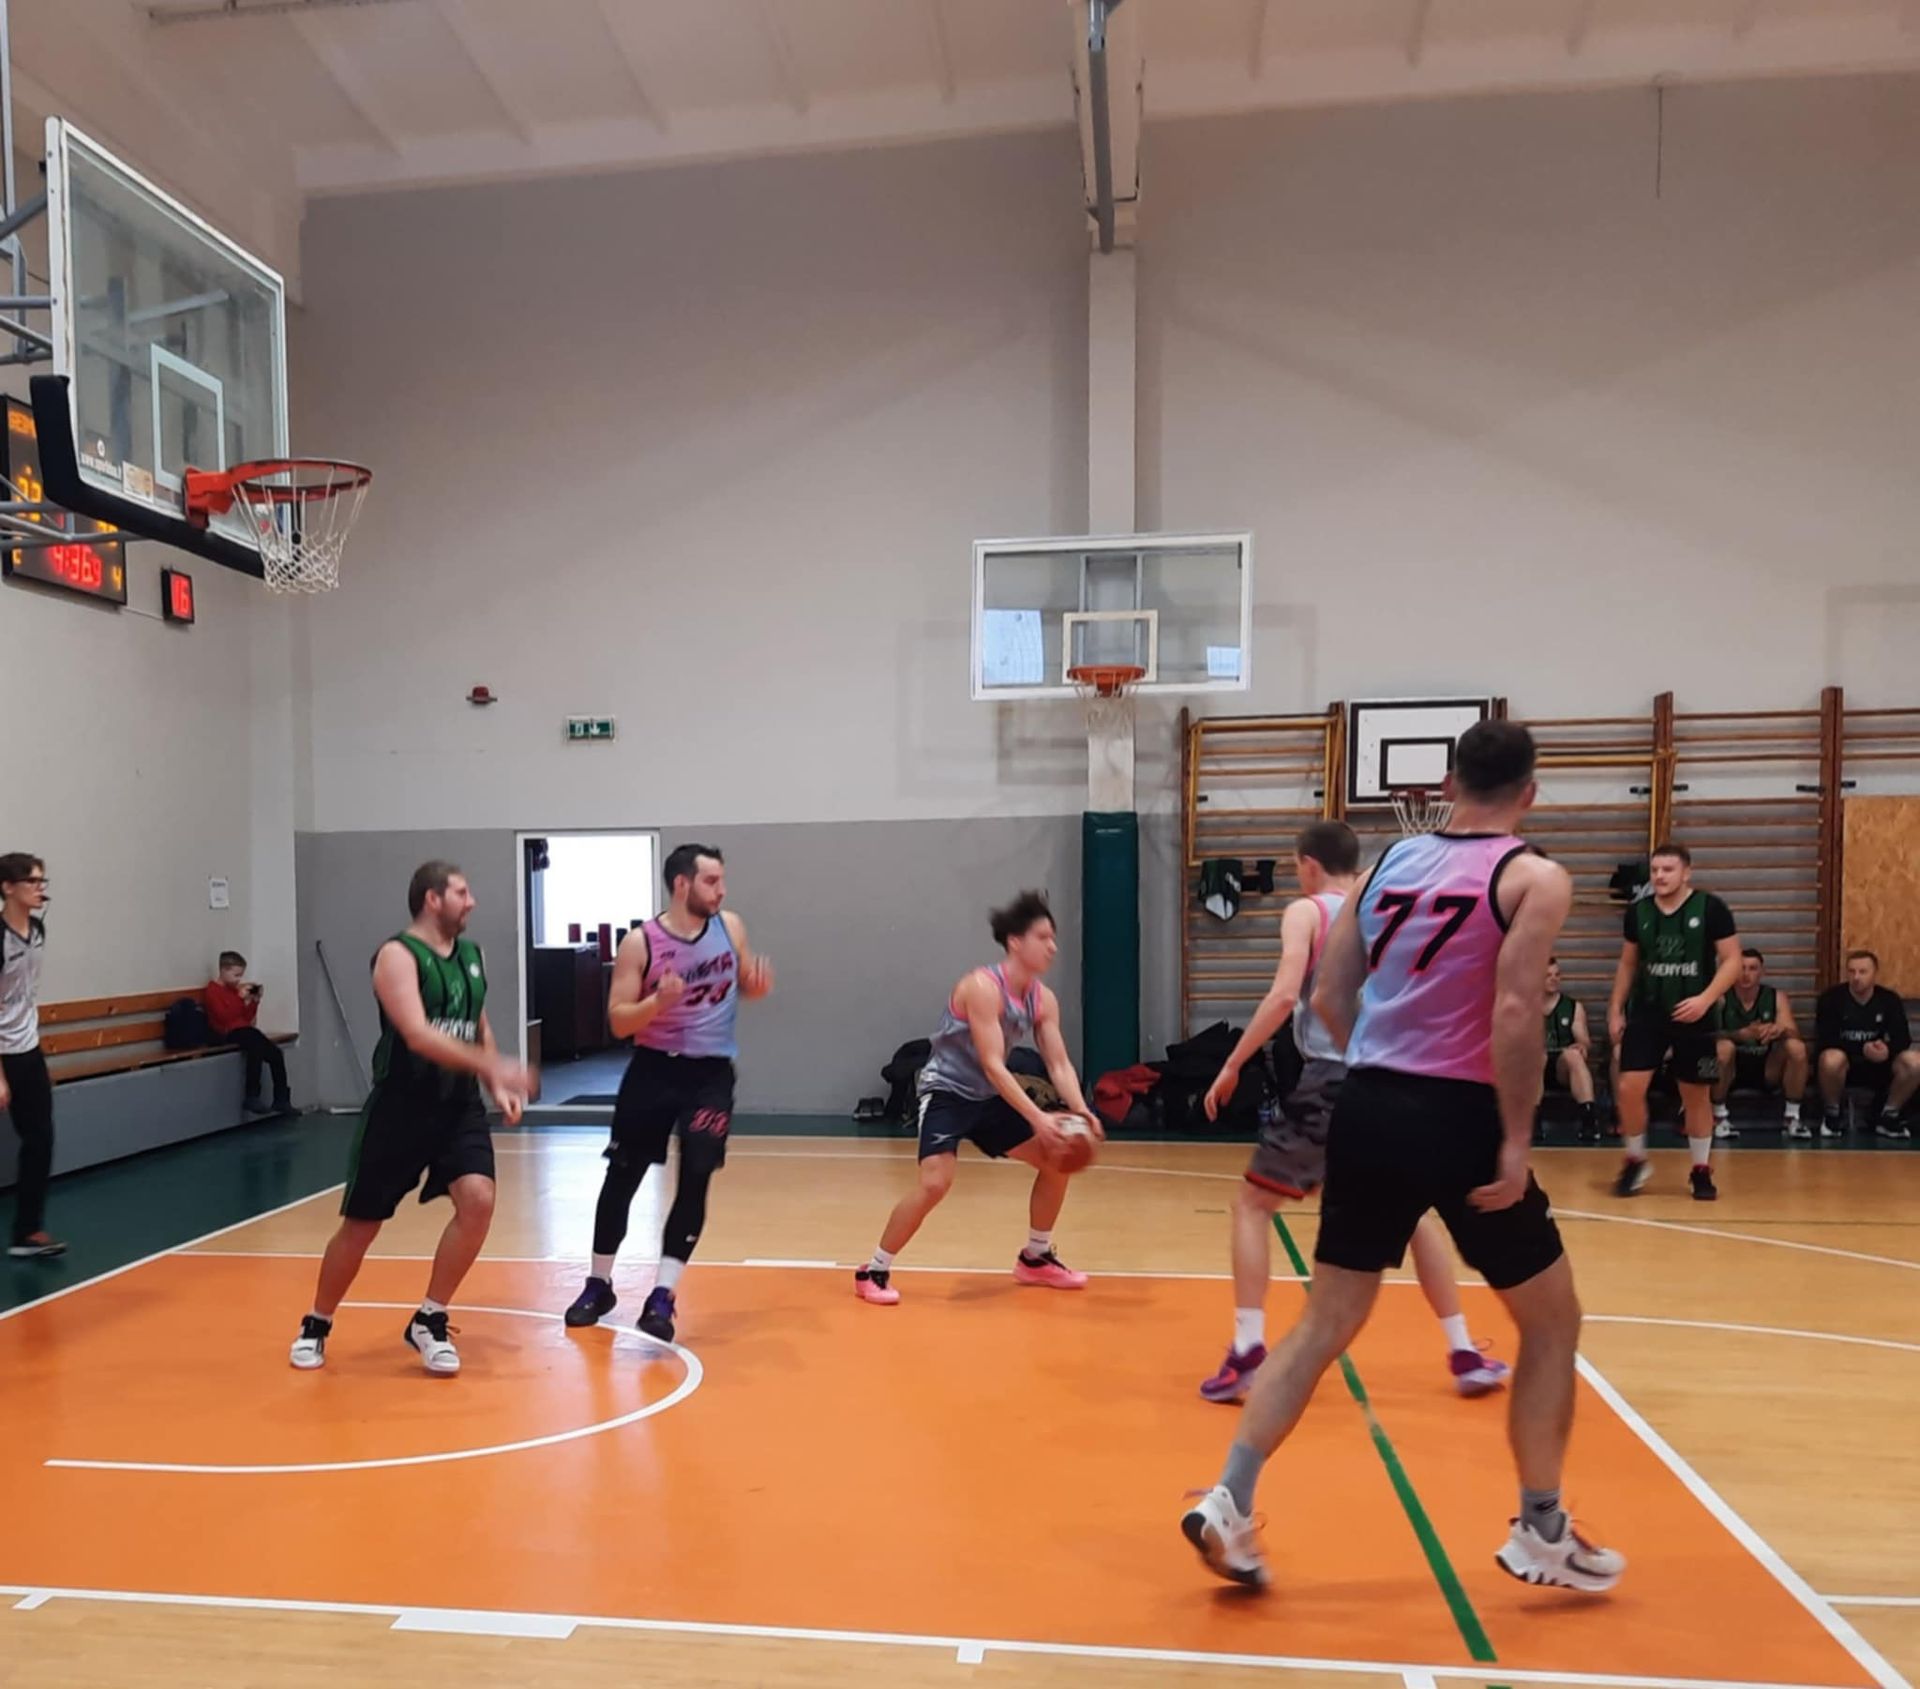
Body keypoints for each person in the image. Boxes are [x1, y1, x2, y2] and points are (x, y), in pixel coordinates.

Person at [1179, 720, 1623, 1596]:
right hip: (1462, 1113)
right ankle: (1541, 1528)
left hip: (1369, 1101)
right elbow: (1516, 1013)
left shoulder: (1389, 863)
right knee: (1552, 1320)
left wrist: (1382, 1067)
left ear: (1449, 783)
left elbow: (1329, 994)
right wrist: (1515, 1138)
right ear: (1530, 793)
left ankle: (1229, 1497)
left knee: (1326, 1321)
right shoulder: (1532, 876)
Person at [1197, 821, 1508, 1405]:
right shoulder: (1385, 907)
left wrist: (1233, 1063)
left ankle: (1247, 1349)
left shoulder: (1308, 911)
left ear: (1308, 864)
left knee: (1253, 1206)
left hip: (1333, 1076)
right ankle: (1464, 1350)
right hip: (1395, 1079)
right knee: (1413, 1215)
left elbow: (1285, 994)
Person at [289, 862, 530, 1374]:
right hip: (401, 1108)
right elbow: (419, 1035)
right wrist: (494, 1065)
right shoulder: (396, 957)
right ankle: (317, 1321)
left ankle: (430, 1318)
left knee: (479, 1200)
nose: (472, 901)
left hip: (458, 1106)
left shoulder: (472, 955)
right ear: (432, 899)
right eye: (462, 892)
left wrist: (495, 1083)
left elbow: (477, 1024)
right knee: (361, 1229)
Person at [563, 844, 773, 1343]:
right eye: (711, 881)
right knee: (624, 1176)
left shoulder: (730, 927)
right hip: (653, 1071)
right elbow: (619, 1021)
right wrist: (658, 1002)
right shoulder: (642, 943)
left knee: (697, 1173)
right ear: (682, 884)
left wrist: (755, 985)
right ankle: (599, 1283)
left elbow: (743, 982)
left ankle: (663, 1294)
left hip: (710, 1076)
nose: (721, 891)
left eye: (722, 880)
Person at [854, 890, 1099, 1305]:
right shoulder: (982, 987)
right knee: (935, 1183)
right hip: (947, 1092)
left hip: (989, 1097)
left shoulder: (1043, 1000)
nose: (1053, 947)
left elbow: (1058, 1063)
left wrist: (1080, 1112)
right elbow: (993, 1065)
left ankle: (1035, 1257)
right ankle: (873, 1269)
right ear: (1016, 942)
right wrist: (1040, 1118)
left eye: (1054, 938)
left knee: (1057, 1159)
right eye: (1043, 937)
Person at [1607, 844, 1740, 1201]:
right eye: (1655, 870)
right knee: (1628, 1087)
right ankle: (1635, 1161)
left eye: (1668, 869)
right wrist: (1616, 1008)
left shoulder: (1711, 908)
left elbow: (1732, 961)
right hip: (1648, 1012)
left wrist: (1705, 999)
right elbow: (1628, 963)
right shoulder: (1638, 912)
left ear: (1686, 872)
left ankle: (1701, 1169)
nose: (1660, 876)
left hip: (1696, 1015)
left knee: (1696, 1094)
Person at [0, 852, 64, 1259]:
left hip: (27, 1050)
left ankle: (27, 1231)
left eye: (43, 882)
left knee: (41, 1138)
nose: (41, 889)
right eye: (33, 881)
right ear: (8, 887)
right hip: (1, 1054)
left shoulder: (38, 930)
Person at [1815, 950, 1918, 1140]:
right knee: (1830, 1058)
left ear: (1874, 973)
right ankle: (1832, 1114)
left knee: (1914, 1061)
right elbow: (1825, 1039)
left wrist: (1887, 1049)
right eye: (1852, 971)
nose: (1856, 977)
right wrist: (1862, 1049)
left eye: (1863, 972)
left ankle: (1889, 1115)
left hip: (1881, 1065)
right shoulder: (1831, 999)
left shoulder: (1889, 1000)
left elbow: (1903, 1039)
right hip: (1845, 1066)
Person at [1712, 948, 1808, 1141]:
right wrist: (1739, 1035)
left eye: (1752, 968)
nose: (1746, 974)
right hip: (1731, 1068)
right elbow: (1706, 1036)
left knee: (1796, 1047)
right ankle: (1718, 1117)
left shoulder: (1776, 997)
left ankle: (1792, 1117)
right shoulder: (1720, 996)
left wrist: (1779, 1030)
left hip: (1767, 1066)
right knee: (1723, 1047)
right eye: (1741, 968)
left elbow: (1794, 1033)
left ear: (1762, 972)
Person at [206, 949, 292, 1116]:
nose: (239, 980)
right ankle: (252, 1095)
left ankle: (281, 1099)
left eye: (241, 975)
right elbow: (225, 1018)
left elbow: (245, 1018)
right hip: (226, 1032)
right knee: (255, 1045)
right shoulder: (212, 991)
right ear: (223, 970)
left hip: (243, 1029)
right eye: (236, 975)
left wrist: (253, 1002)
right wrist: (240, 999)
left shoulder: (233, 991)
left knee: (275, 1053)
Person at [1541, 957, 1601, 1144]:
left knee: (1573, 1055)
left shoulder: (1572, 1007)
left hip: (1561, 1068)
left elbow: (1583, 1039)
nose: (1554, 979)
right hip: (1532, 1068)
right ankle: (1533, 1121)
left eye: (1557, 975)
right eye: (1548, 975)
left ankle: (1589, 1119)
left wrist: (1582, 1045)